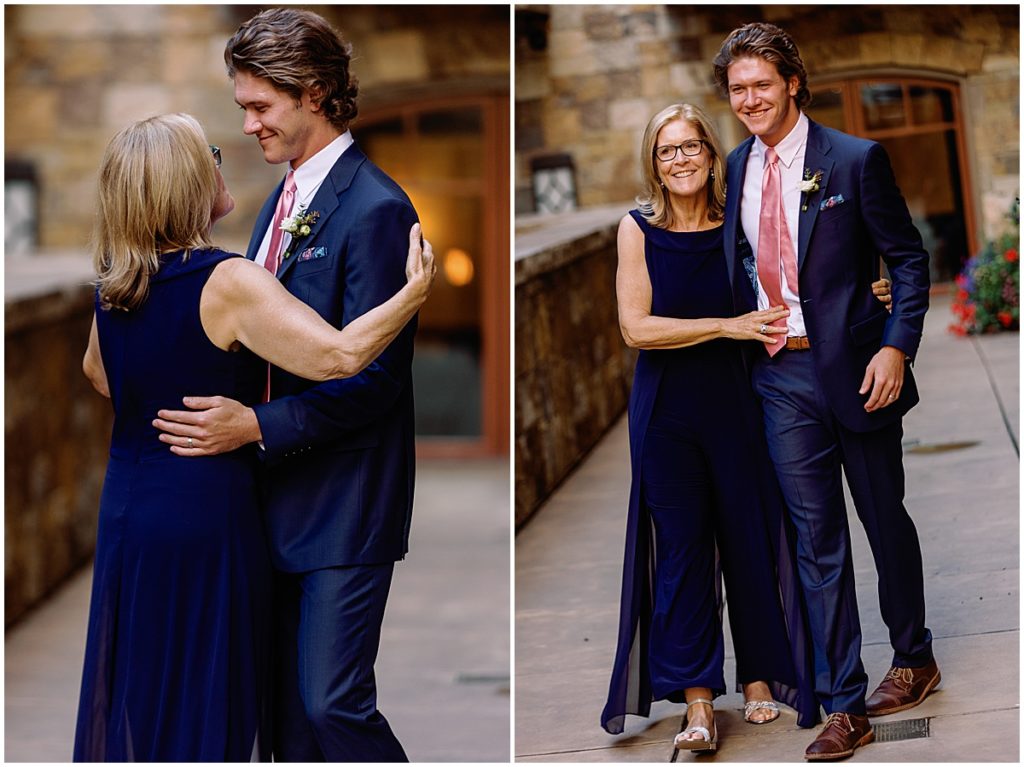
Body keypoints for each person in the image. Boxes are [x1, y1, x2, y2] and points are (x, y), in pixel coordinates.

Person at [73, 113, 433, 762]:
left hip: (131, 509)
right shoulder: (227, 281)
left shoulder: (115, 280)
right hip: (205, 508)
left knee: (151, 690)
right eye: (209, 150)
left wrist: (161, 396)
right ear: (186, 180)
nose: (223, 154)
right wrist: (413, 293)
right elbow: (340, 357)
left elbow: (97, 373)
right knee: (209, 699)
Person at [153, 9, 420, 761]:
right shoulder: (278, 201)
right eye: (243, 107)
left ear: (313, 93)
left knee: (331, 702)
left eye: (259, 107)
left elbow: (373, 379)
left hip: (343, 506)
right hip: (264, 505)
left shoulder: (378, 208)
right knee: (285, 724)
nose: (248, 126)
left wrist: (256, 428)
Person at [713, 22, 938, 761]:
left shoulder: (853, 159)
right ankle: (846, 701)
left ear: (793, 83)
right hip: (780, 377)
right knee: (817, 543)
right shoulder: (734, 170)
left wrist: (896, 347)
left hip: (858, 371)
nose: (749, 99)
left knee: (882, 519)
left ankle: (915, 655)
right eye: (738, 88)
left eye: (761, 85)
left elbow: (907, 261)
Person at [600, 102, 822, 751]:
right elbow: (635, 327)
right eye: (668, 150)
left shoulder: (736, 226)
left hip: (738, 398)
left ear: (710, 152)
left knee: (748, 535)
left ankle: (757, 677)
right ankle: (699, 698)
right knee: (683, 548)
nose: (681, 158)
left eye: (692, 145)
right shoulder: (636, 229)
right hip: (667, 409)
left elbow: (797, 277)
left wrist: (873, 292)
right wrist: (725, 326)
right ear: (654, 161)